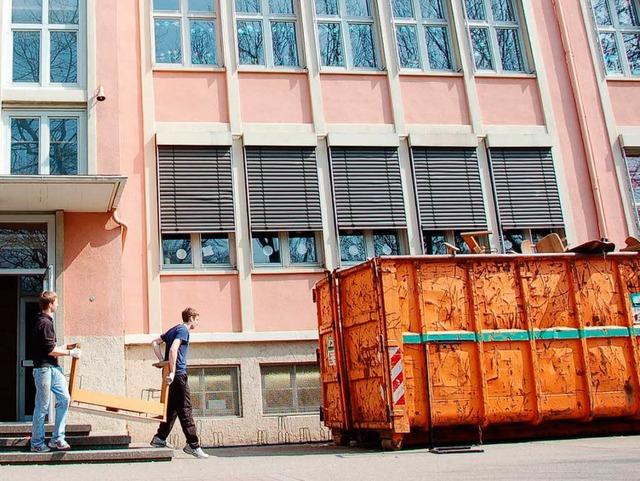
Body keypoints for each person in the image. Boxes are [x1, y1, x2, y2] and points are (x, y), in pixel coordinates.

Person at [150, 307, 208, 459]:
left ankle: (160, 438)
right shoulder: (183, 331)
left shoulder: (173, 329)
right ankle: (193, 445)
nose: (198, 323)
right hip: (178, 374)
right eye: (197, 320)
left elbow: (154, 342)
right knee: (185, 409)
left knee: (172, 409)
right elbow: (174, 349)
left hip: (172, 374)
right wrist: (172, 371)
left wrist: (162, 361)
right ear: (191, 318)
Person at [31, 290, 82, 453]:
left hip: (53, 368)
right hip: (44, 369)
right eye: (56, 302)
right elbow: (49, 350)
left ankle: (57, 439)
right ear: (50, 304)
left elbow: (51, 347)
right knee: (42, 406)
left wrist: (66, 347)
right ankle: (37, 443)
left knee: (65, 398)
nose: (58, 304)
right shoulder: (44, 323)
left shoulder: (47, 321)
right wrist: (69, 353)